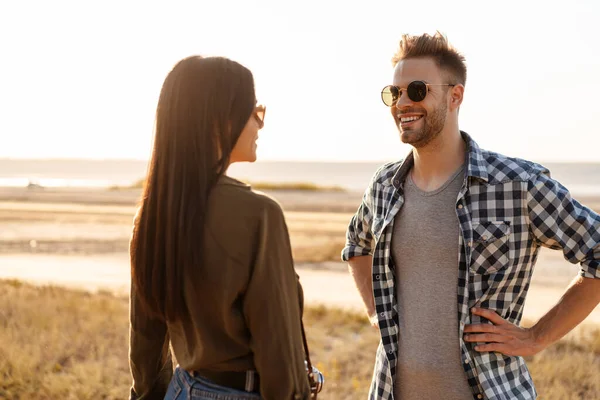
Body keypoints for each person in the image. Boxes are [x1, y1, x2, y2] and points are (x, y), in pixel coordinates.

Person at [342, 32, 600, 400]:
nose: (402, 103)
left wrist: (536, 337)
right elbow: (356, 246)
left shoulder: (517, 184)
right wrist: (375, 313)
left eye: (416, 90)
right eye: (393, 93)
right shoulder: (384, 185)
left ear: (455, 95)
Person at [129, 55, 312, 400]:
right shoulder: (259, 214)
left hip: (180, 390)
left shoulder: (153, 214)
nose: (260, 125)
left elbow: (145, 340)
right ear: (219, 120)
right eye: (254, 111)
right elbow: (279, 353)